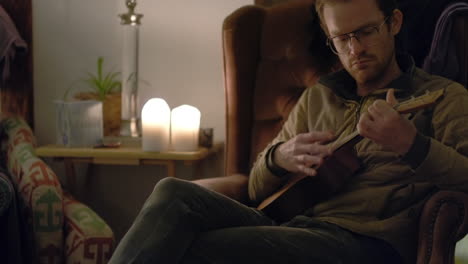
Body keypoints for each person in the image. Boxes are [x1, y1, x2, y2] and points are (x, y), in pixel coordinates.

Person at [109, 0, 468, 263]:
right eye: (341, 39)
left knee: (197, 247)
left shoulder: (443, 96)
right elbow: (254, 188)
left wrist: (411, 144)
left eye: (366, 32)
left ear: (394, 22)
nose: (355, 49)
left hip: (367, 242)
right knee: (172, 191)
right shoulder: (319, 97)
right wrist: (279, 159)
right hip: (294, 225)